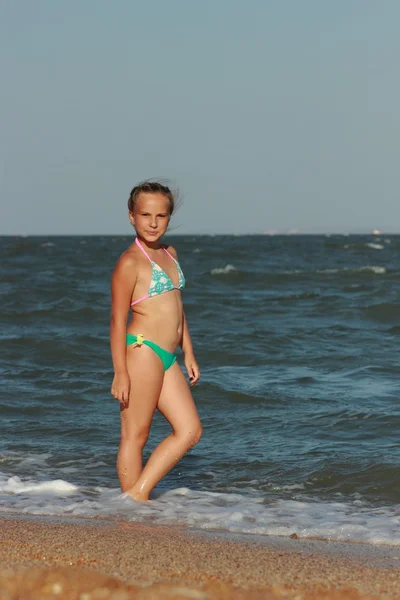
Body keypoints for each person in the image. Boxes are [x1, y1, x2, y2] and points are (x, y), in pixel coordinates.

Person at [110, 181, 202, 502]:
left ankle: (136, 496)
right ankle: (133, 504)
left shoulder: (170, 254)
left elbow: (177, 306)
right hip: (141, 351)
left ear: (168, 217)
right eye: (145, 214)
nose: (152, 222)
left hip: (168, 356)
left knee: (190, 430)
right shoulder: (130, 262)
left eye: (160, 215)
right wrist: (120, 372)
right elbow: (117, 321)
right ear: (131, 216)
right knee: (136, 435)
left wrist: (188, 350)